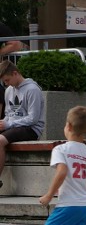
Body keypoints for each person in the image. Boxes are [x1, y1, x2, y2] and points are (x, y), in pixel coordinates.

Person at [0, 61, 45, 190]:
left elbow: (33, 118)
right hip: (13, 127)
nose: (6, 84)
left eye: (7, 80)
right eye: (4, 81)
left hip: (31, 129)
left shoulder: (32, 89)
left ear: (15, 73)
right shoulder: (9, 90)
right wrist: (4, 123)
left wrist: (9, 124)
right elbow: (9, 113)